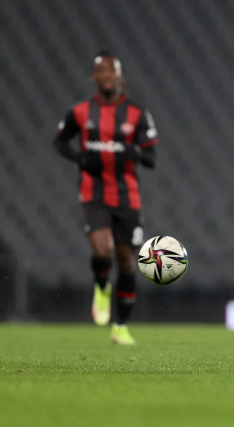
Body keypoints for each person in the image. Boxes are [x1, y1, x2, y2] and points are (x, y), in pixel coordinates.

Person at [54, 52, 158, 345]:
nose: (106, 75)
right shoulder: (80, 112)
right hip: (94, 191)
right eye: (100, 71)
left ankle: (121, 326)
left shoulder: (137, 113)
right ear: (95, 77)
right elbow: (59, 142)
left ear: (119, 75)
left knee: (126, 261)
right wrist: (80, 158)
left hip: (127, 196)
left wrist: (134, 152)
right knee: (102, 252)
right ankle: (102, 286)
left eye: (111, 70)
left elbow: (151, 158)